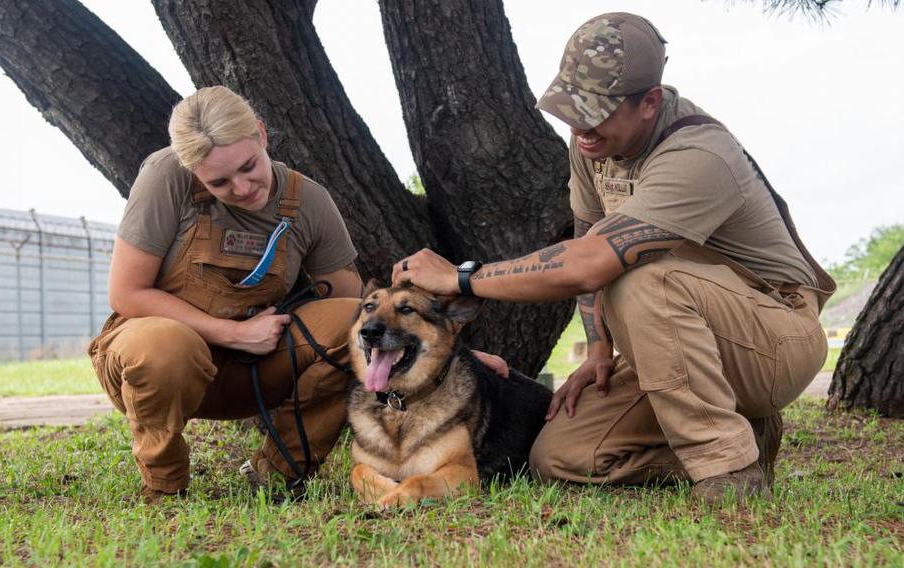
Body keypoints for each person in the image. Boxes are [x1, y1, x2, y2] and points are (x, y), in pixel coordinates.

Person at [392, 12, 835, 504]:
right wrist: (599, 350)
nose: (580, 127)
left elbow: (591, 263)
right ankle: (745, 439)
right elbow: (587, 234)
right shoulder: (592, 146)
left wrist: (462, 277)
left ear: (649, 102)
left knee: (640, 277)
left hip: (775, 341)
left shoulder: (699, 154)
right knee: (560, 458)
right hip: (692, 340)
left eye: (595, 111)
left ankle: (728, 466)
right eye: (571, 108)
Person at [88, 86, 362, 502]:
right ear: (191, 169)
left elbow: (359, 311)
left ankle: (280, 471)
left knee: (355, 324)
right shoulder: (166, 176)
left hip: (251, 374)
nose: (242, 187)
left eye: (249, 166)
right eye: (218, 181)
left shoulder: (309, 201)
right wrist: (233, 333)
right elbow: (126, 293)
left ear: (262, 135)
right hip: (155, 367)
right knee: (166, 345)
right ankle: (165, 485)